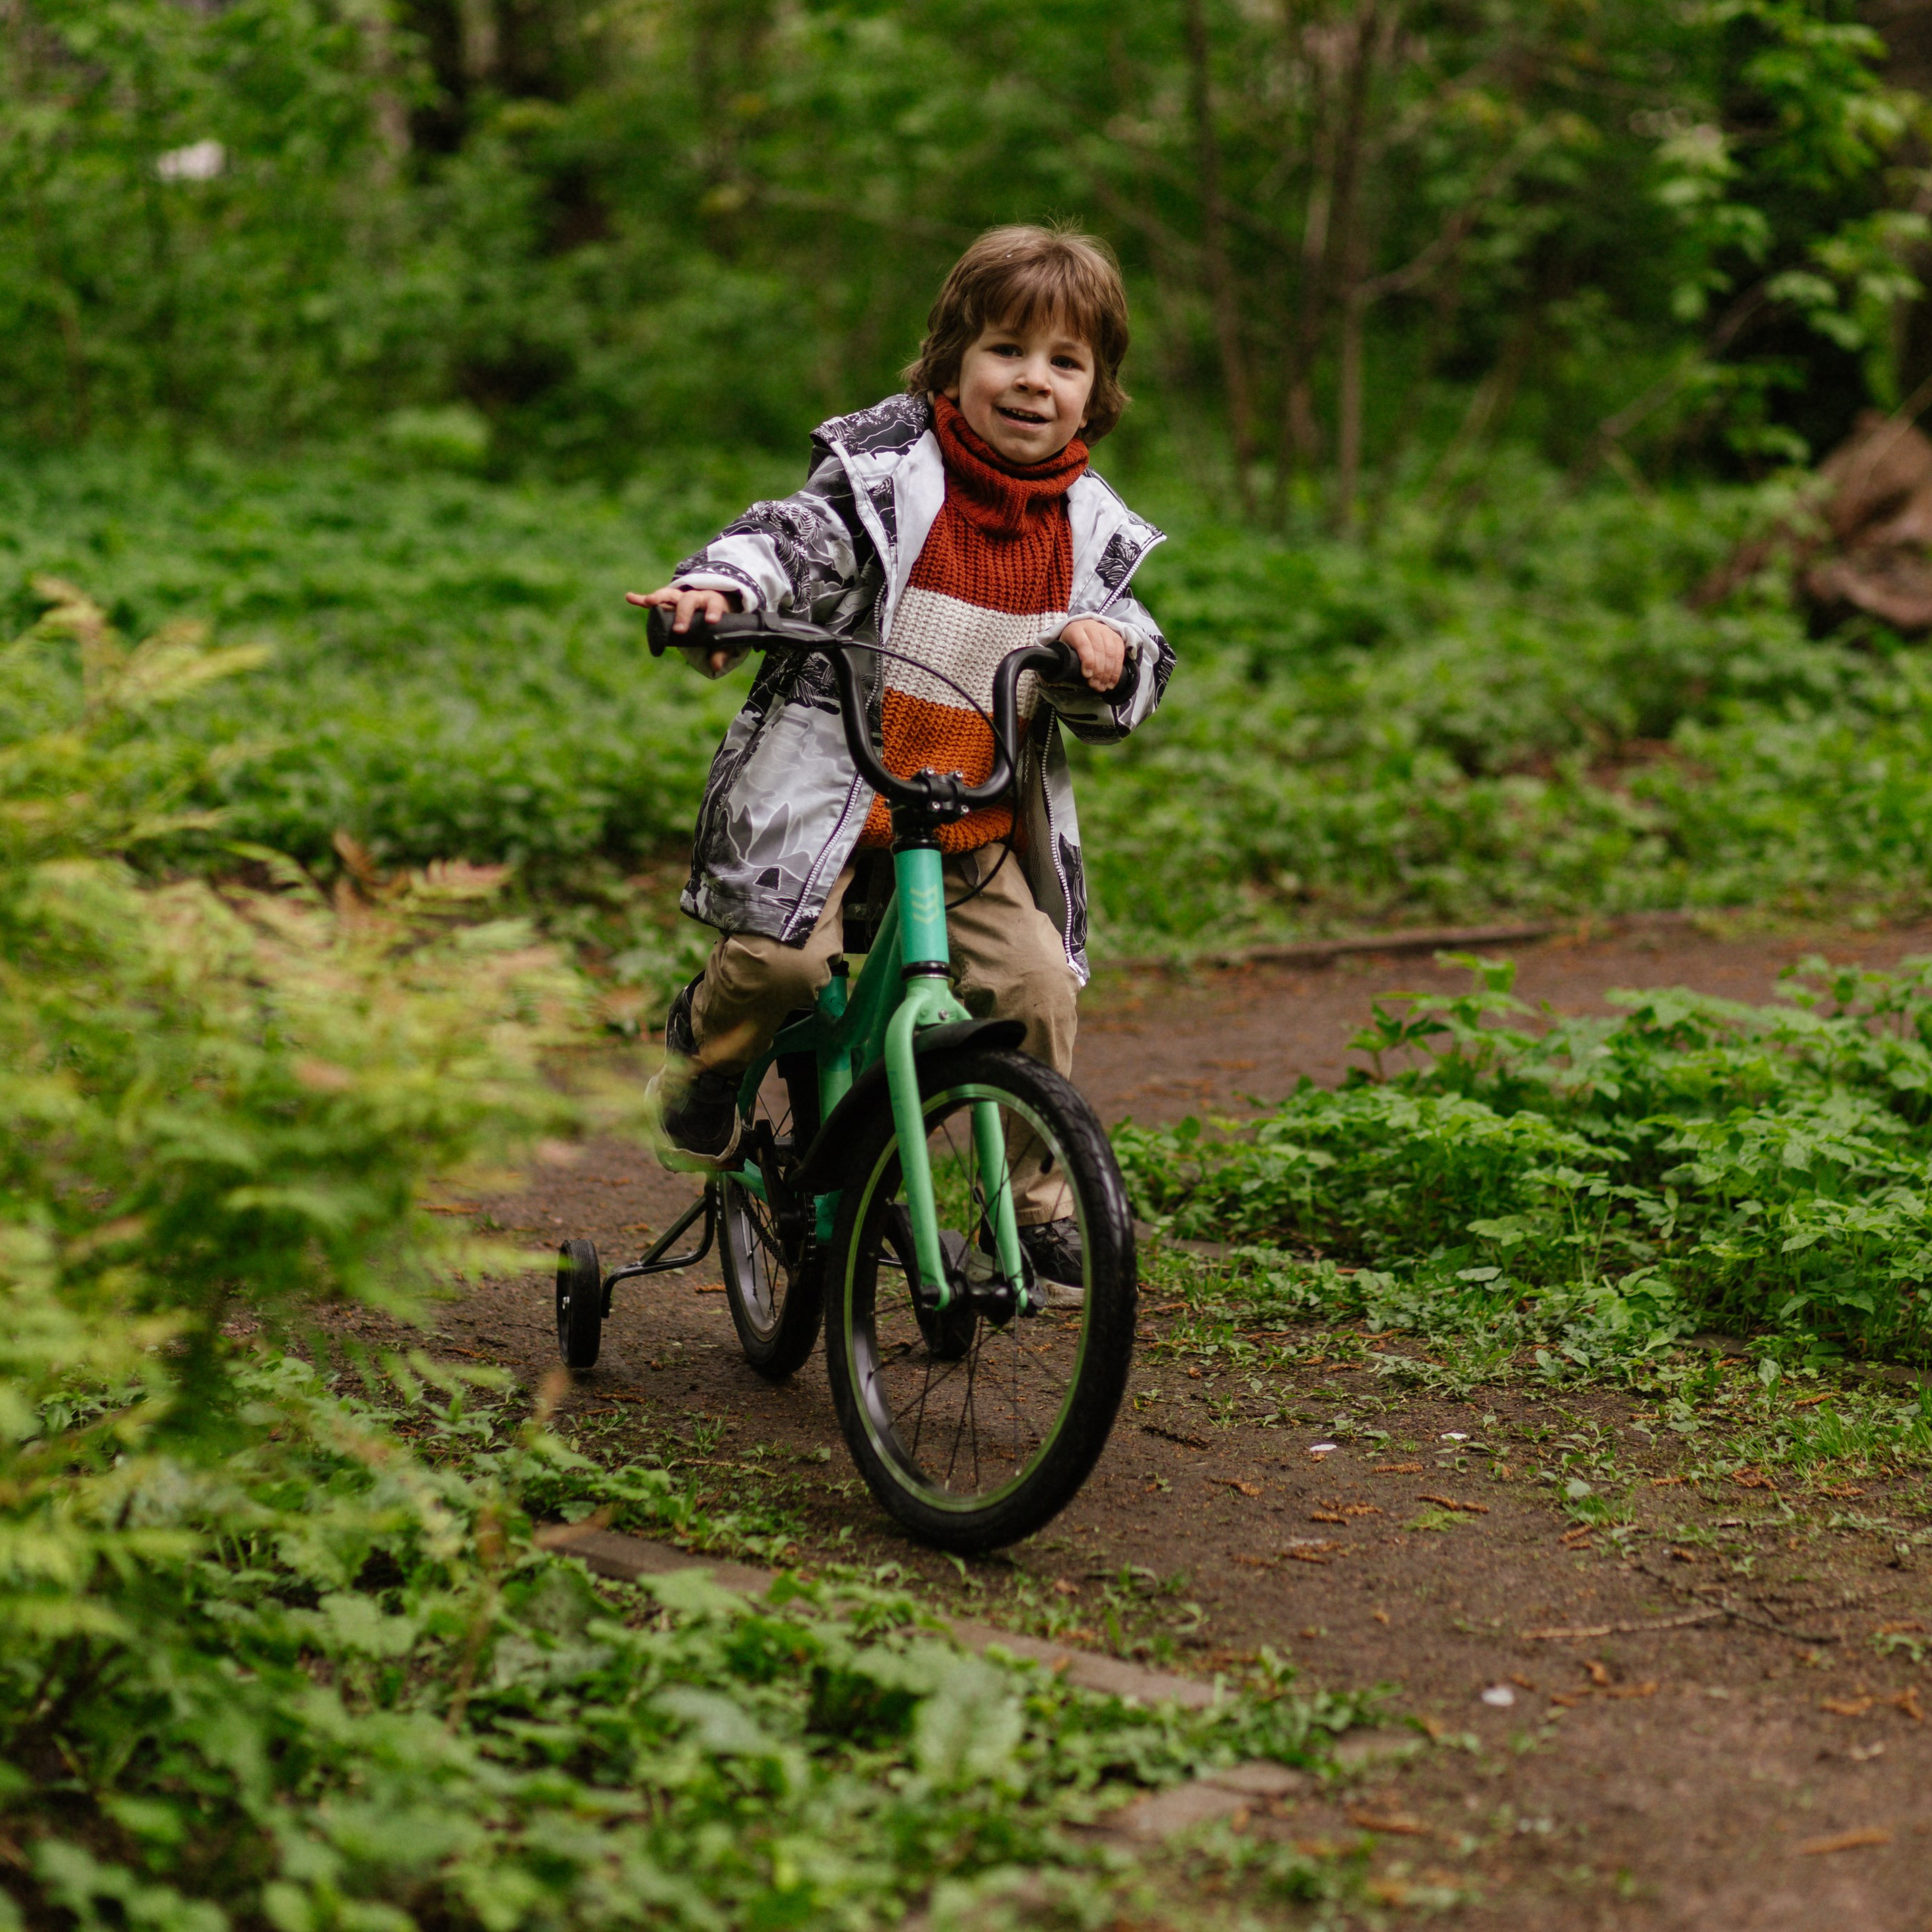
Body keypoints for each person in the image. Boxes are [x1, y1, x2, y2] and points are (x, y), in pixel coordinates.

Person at [627, 223, 1174, 1287]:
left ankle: (1039, 1204)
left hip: (970, 818)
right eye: (1007, 350)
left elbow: (1135, 660)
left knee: (1036, 990)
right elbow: (786, 543)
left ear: (1096, 394)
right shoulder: (883, 481)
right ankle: (704, 1055)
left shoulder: (1091, 531)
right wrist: (720, 592)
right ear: (951, 362)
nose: (1034, 379)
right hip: (837, 797)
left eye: (1065, 362)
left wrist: (1107, 652)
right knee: (784, 966)